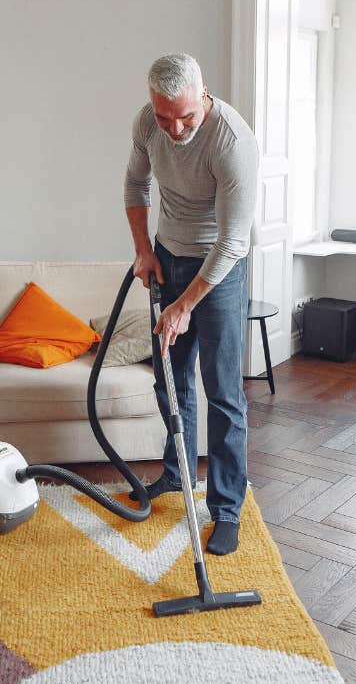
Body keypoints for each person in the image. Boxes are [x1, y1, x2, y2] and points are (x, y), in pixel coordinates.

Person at [123, 53, 259, 555]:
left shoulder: (232, 141)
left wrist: (183, 304)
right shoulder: (148, 123)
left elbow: (232, 242)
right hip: (167, 255)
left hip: (219, 270)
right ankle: (177, 474)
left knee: (222, 392)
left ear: (203, 96)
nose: (175, 128)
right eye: (164, 117)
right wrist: (143, 250)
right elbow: (136, 185)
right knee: (169, 377)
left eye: (185, 117)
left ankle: (225, 509)